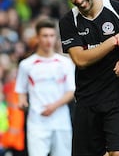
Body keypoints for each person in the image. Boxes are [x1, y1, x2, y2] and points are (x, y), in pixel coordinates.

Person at [59, 0, 119, 156]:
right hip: (87, 99)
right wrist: (114, 41)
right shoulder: (69, 21)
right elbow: (80, 59)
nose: (78, 0)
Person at [15, 18, 76, 156]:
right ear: (37, 38)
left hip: (61, 121)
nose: (49, 40)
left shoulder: (65, 63)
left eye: (52, 35)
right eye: (45, 36)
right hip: (37, 122)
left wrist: (54, 106)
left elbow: (72, 90)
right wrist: (22, 102)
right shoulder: (26, 64)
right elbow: (21, 91)